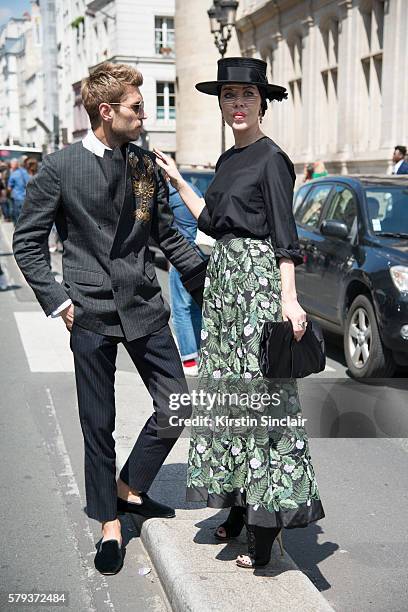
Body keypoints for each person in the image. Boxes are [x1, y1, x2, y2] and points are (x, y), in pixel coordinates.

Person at [13, 62, 205, 576]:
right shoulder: (59, 168)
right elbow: (28, 244)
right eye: (137, 107)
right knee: (97, 425)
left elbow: (166, 234)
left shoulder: (144, 166)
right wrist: (59, 301)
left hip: (144, 305)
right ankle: (110, 525)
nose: (146, 114)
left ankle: (129, 489)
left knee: (178, 403)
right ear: (107, 112)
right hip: (90, 313)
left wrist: (208, 278)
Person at [154, 57, 325, 570]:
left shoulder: (273, 159)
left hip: (256, 284)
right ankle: (236, 504)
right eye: (229, 96)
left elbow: (284, 237)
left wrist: (288, 299)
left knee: (260, 397)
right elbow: (210, 220)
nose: (238, 104)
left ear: (263, 102)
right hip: (224, 283)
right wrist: (179, 180)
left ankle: (265, 527)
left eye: (247, 96)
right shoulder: (229, 159)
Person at [167, 173, 204, 376]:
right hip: (201, 253)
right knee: (195, 307)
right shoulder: (191, 188)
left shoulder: (170, 193)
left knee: (180, 308)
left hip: (183, 254)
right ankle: (199, 353)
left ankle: (189, 360)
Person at [7, 158, 29, 225]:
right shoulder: (25, 171)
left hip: (17, 196)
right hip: (25, 195)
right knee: (25, 213)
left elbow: (9, 187)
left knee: (17, 212)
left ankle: (18, 226)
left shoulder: (13, 174)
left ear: (14, 165)